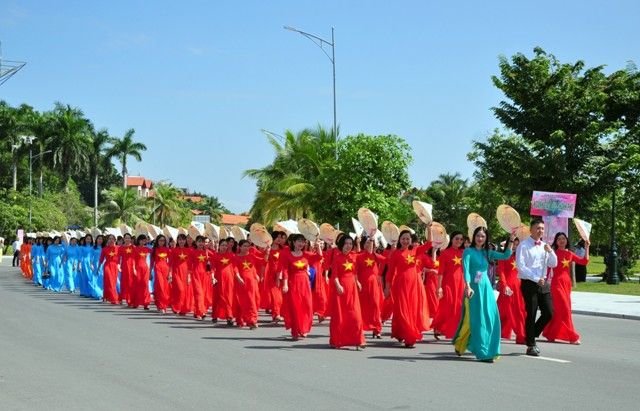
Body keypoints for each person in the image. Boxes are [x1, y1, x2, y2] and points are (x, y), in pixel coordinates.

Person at [453, 227, 514, 362]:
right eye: (478, 236)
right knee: (477, 320)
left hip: (486, 288)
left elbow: (506, 256)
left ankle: (475, 346)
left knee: (490, 318)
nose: (480, 239)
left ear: (486, 238)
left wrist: (510, 240)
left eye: (483, 236)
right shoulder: (468, 252)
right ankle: (483, 352)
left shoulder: (488, 252)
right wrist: (467, 286)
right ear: (474, 237)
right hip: (473, 289)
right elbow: (466, 270)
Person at [516, 218, 558, 357]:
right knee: (532, 313)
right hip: (529, 283)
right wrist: (535, 278)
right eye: (538, 228)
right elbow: (521, 267)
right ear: (531, 229)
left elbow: (554, 264)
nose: (540, 231)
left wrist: (551, 251)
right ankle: (531, 345)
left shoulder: (545, 245)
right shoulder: (523, 246)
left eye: (542, 228)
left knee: (549, 312)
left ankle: (531, 335)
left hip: (543, 283)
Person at [384, 230, 431, 348]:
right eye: (403, 238)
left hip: (413, 285)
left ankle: (406, 334)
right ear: (399, 240)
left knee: (411, 310)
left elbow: (429, 244)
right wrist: (387, 288)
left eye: (407, 239)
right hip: (400, 285)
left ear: (411, 240)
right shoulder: (395, 253)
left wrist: (429, 229)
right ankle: (407, 334)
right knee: (401, 310)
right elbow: (389, 272)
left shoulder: (415, 250)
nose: (405, 241)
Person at [542, 233, 589, 344]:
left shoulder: (570, 254)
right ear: (556, 241)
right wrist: (543, 279)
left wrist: (587, 247)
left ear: (566, 240)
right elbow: (547, 269)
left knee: (560, 311)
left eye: (563, 238)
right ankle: (572, 337)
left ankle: (550, 333)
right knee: (565, 309)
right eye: (559, 239)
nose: (561, 241)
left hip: (566, 284)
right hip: (556, 284)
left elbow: (584, 261)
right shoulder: (552, 253)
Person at [279, 234, 322, 340]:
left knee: (306, 307)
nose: (301, 244)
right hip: (293, 283)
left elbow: (319, 257)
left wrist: (318, 246)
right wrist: (285, 284)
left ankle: (303, 328)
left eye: (303, 242)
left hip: (305, 284)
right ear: (293, 242)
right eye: (299, 241)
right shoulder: (287, 255)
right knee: (295, 308)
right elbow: (285, 270)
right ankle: (295, 331)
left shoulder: (306, 254)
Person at [329, 235, 365, 349]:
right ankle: (338, 340)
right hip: (341, 289)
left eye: (350, 243)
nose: (348, 246)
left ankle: (359, 340)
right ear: (342, 245)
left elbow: (354, 272)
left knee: (355, 314)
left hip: (352, 288)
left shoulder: (354, 256)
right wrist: (338, 285)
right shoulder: (337, 258)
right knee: (340, 315)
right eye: (346, 243)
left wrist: (357, 281)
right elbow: (334, 275)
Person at [431, 232, 465, 340]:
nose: (459, 241)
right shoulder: (445, 253)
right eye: (456, 238)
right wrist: (439, 287)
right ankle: (438, 326)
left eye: (461, 239)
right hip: (448, 284)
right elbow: (441, 272)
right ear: (452, 239)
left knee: (458, 307)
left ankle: (453, 330)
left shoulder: (464, 253)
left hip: (460, 284)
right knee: (447, 306)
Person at [496, 237, 526, 344]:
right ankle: (520, 335)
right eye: (513, 244)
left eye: (517, 244)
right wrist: (504, 286)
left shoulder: (521, 257)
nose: (515, 246)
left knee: (518, 311)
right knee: (507, 311)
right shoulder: (503, 257)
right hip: (508, 287)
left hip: (519, 288)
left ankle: (503, 331)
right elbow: (501, 272)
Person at [233, 240, 267, 329]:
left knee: (255, 300)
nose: (246, 248)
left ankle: (249, 318)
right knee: (247, 301)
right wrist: (238, 277)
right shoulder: (236, 257)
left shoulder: (251, 256)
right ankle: (252, 320)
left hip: (252, 282)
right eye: (244, 246)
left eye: (248, 246)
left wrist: (267, 252)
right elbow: (235, 269)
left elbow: (263, 261)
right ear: (240, 247)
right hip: (242, 282)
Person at [356, 237, 386, 339]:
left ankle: (377, 329)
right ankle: (361, 328)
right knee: (362, 307)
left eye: (372, 243)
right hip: (362, 286)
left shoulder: (375, 256)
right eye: (368, 243)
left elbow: (388, 260)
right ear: (364, 245)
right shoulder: (358, 257)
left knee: (375, 306)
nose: (370, 245)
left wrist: (394, 246)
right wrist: (357, 282)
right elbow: (354, 271)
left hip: (374, 286)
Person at [169, 234, 192, 316]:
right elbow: (170, 264)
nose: (181, 241)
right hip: (176, 273)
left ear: (185, 241)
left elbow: (190, 264)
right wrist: (170, 274)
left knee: (183, 292)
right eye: (179, 240)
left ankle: (182, 308)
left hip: (185, 273)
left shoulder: (189, 250)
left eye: (183, 240)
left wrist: (189, 275)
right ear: (177, 241)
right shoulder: (174, 250)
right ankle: (175, 306)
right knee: (180, 290)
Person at [151, 235, 172, 314]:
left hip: (165, 269)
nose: (161, 242)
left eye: (163, 240)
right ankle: (160, 306)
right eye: (160, 240)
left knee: (165, 287)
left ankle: (163, 305)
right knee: (160, 287)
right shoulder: (154, 250)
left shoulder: (167, 250)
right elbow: (152, 262)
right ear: (157, 241)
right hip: (158, 269)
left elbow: (170, 263)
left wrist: (170, 273)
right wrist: (150, 273)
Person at [131, 235, 152, 310]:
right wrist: (133, 268)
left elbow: (156, 252)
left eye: (145, 240)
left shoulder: (147, 249)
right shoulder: (135, 249)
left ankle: (146, 303)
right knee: (137, 285)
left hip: (145, 269)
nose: (143, 242)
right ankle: (136, 302)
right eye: (142, 240)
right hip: (137, 269)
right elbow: (132, 259)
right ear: (138, 240)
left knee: (145, 285)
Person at [99, 235, 120, 304]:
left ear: (115, 240)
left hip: (115, 267)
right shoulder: (104, 249)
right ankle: (113, 298)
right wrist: (98, 268)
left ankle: (106, 296)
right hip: (107, 266)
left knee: (112, 283)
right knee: (109, 281)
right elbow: (101, 259)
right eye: (109, 239)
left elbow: (123, 257)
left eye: (112, 239)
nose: (111, 240)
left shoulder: (119, 248)